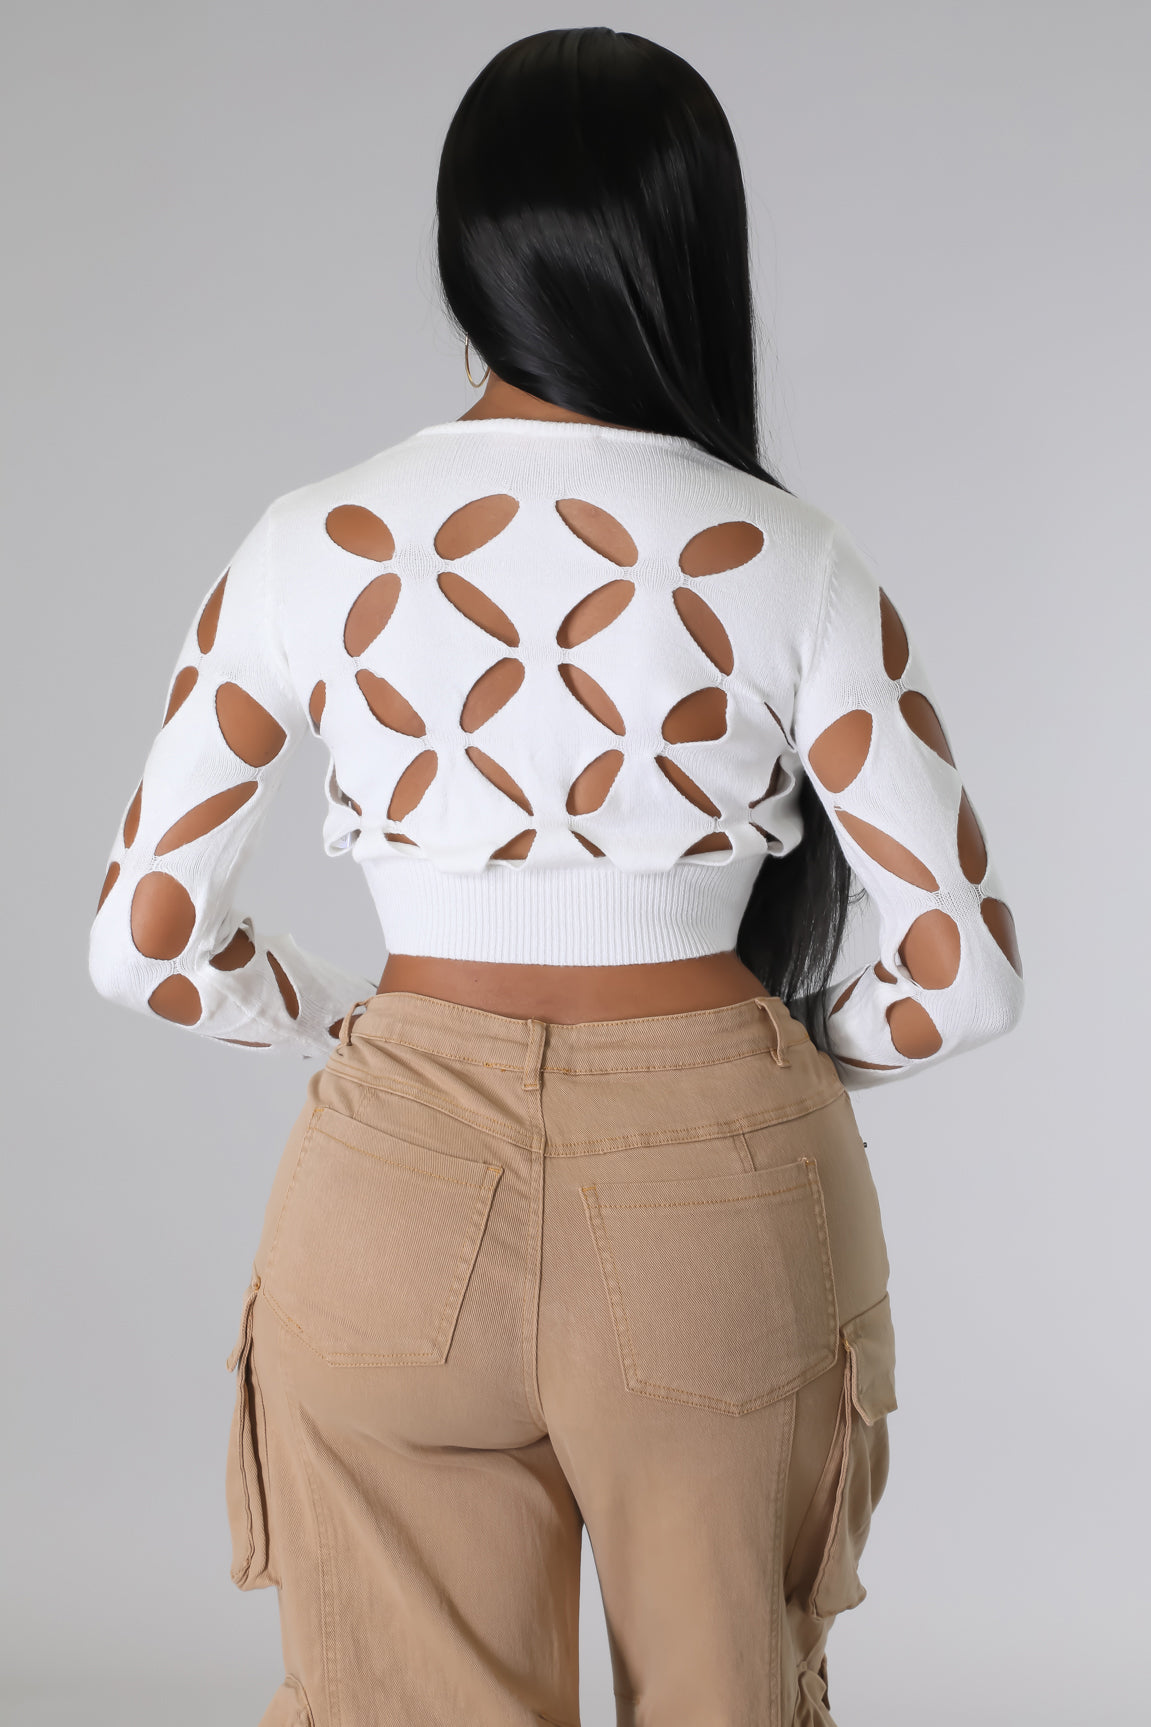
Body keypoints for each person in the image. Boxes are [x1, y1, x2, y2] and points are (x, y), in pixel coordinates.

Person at [87, 26, 1024, 1727]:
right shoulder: (791, 562)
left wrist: (362, 1030)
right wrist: (765, 1064)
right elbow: (961, 977)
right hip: (719, 1209)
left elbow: (146, 946)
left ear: (466, 254)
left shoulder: (306, 546)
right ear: (694, 248)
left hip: (390, 1204)